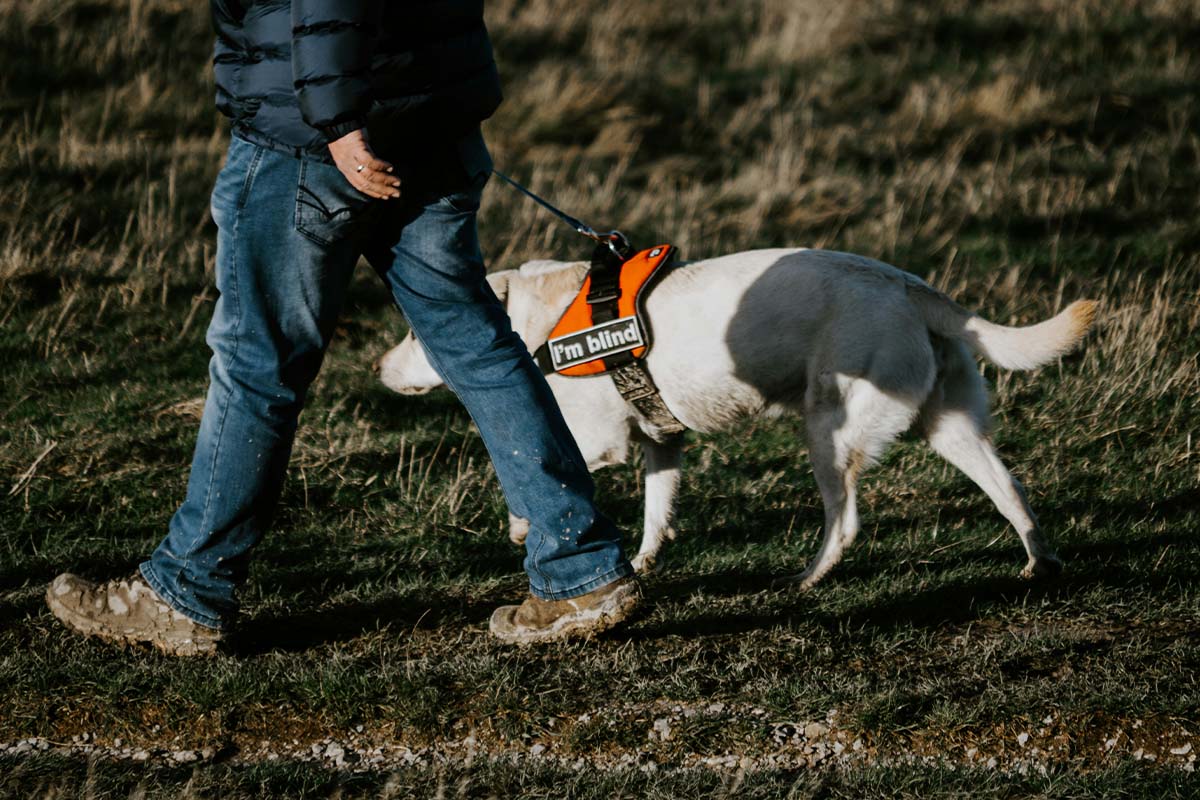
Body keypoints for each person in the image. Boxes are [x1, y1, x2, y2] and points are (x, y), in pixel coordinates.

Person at [44, 0, 641, 655]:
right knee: (480, 347)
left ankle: (187, 590)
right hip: (433, 124)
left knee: (257, 367)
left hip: (315, 141)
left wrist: (340, 123)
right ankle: (580, 570)